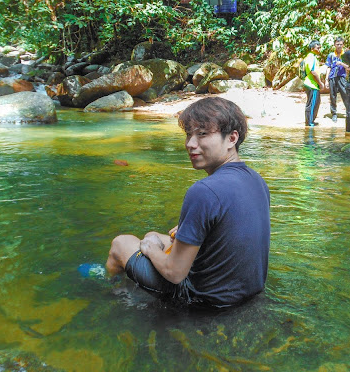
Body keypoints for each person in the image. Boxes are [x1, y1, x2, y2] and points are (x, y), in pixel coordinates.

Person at [105, 97, 271, 308]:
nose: (190, 144)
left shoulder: (204, 191)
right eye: (188, 135)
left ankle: (115, 295)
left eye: (202, 134)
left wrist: (150, 250)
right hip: (247, 292)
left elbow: (174, 274)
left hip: (202, 299)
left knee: (121, 244)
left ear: (232, 138)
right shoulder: (257, 180)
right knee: (153, 236)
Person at [325, 37, 349, 123]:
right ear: (334, 45)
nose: (339, 46)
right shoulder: (331, 55)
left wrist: (341, 63)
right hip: (332, 77)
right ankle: (334, 113)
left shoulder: (346, 55)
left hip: (342, 77)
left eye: (341, 44)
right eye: (337, 44)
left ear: (343, 45)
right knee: (332, 96)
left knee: (345, 95)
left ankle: (349, 112)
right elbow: (328, 67)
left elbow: (349, 68)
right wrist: (326, 80)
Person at [302, 40, 325, 127]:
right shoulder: (311, 57)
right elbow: (313, 72)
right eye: (317, 48)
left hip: (312, 84)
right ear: (312, 48)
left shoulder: (312, 57)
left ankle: (310, 121)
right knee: (312, 104)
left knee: (315, 102)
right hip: (312, 84)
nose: (319, 50)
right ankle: (310, 122)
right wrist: (320, 83)